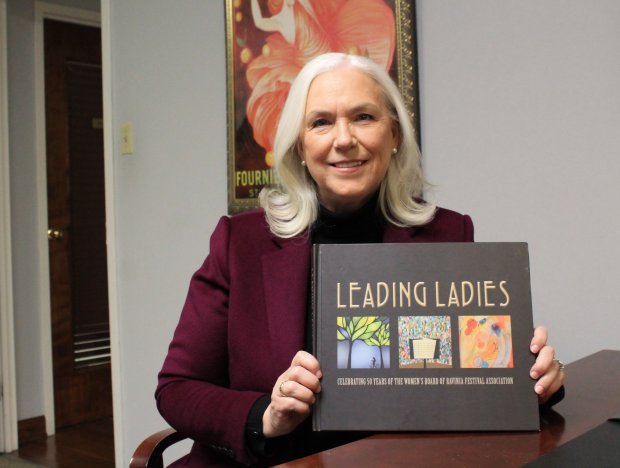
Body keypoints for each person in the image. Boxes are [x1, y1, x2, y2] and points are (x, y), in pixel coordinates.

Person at [156, 52, 565, 466]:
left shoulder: (447, 234)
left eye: (364, 117)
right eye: (321, 122)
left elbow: (478, 370)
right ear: (299, 145)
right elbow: (177, 387)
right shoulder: (240, 242)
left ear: (395, 135)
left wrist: (537, 381)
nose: (344, 139)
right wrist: (265, 414)